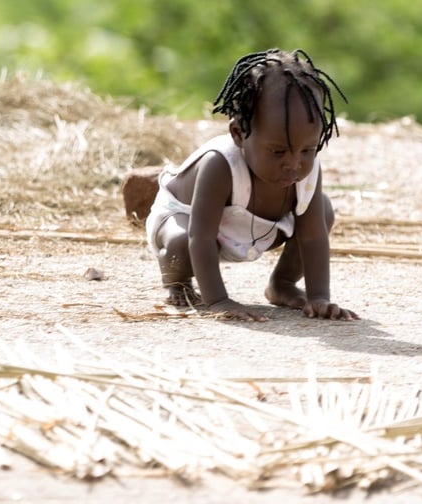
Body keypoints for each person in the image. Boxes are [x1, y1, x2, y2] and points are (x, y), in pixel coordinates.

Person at [146, 48, 358, 322]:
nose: (294, 164)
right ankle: (177, 281)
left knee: (322, 211)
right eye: (279, 152)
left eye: (308, 150)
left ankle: (282, 284)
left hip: (256, 229)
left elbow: (313, 237)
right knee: (180, 243)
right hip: (189, 223)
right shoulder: (220, 165)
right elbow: (200, 236)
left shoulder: (307, 170)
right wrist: (219, 301)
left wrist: (320, 297)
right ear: (238, 133)